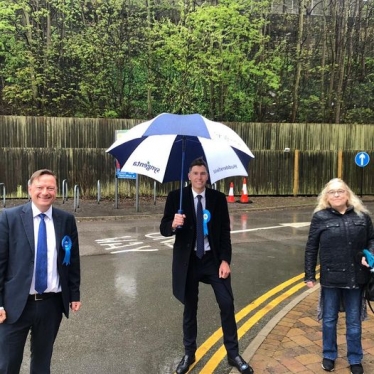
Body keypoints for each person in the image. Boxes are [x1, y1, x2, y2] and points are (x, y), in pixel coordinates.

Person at [160, 158, 253, 374]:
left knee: (227, 303)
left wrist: (225, 260)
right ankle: (188, 353)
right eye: (195, 173)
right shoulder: (177, 197)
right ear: (189, 176)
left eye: (203, 173)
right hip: (188, 262)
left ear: (207, 176)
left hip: (213, 259)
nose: (199, 177)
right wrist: (173, 225)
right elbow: (163, 227)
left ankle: (233, 354)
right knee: (190, 308)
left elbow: (224, 233)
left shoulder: (217, 199)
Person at [0, 169, 81, 374]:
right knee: (8, 363)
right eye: (40, 187)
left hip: (51, 304)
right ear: (30, 189)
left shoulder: (66, 220)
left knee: (42, 362)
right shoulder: (9, 218)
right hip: (15, 305)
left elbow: (72, 260)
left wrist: (74, 293)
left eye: (50, 188)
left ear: (56, 191)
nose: (45, 192)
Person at [304, 178, 374, 374]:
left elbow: (371, 239)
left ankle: (355, 358)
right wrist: (309, 274)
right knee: (329, 320)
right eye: (332, 192)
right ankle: (329, 355)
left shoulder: (362, 216)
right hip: (331, 277)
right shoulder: (320, 217)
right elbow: (311, 247)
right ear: (326, 196)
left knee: (354, 321)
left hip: (355, 277)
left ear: (347, 194)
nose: (336, 195)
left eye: (340, 191)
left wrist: (370, 255)